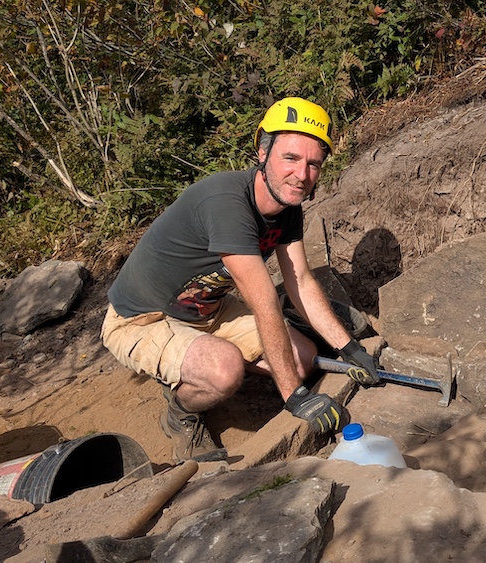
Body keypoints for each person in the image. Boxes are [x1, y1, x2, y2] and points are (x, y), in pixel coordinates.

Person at [101, 97, 381, 463]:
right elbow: (263, 301)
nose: (302, 174)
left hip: (206, 310)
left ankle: (251, 345)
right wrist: (295, 397)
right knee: (225, 370)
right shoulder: (227, 202)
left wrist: (350, 348)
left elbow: (300, 280)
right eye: (291, 158)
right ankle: (181, 411)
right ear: (263, 153)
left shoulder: (287, 207)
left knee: (305, 358)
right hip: (141, 318)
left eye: (314, 163)